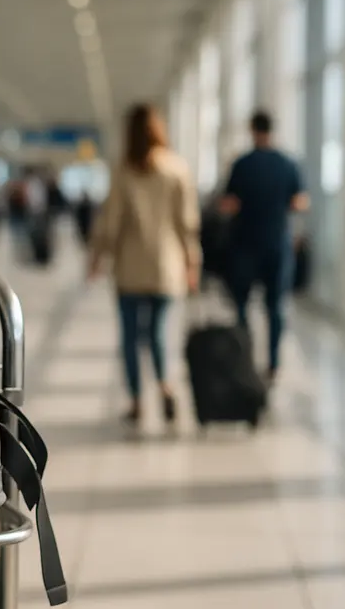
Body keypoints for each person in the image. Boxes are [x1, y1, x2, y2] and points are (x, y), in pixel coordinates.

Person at [88, 104, 201, 424]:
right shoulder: (177, 168)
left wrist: (97, 258)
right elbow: (187, 224)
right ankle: (165, 386)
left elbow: (110, 224)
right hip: (167, 269)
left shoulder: (124, 171)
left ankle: (137, 400)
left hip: (129, 269)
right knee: (159, 334)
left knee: (129, 337)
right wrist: (192, 264)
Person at [220, 110, 307, 385]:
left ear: (252, 130)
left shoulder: (242, 164)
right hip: (277, 244)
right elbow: (299, 202)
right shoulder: (287, 164)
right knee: (275, 306)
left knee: (243, 305)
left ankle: (245, 356)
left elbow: (228, 204)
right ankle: (273, 364)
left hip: (246, 243)